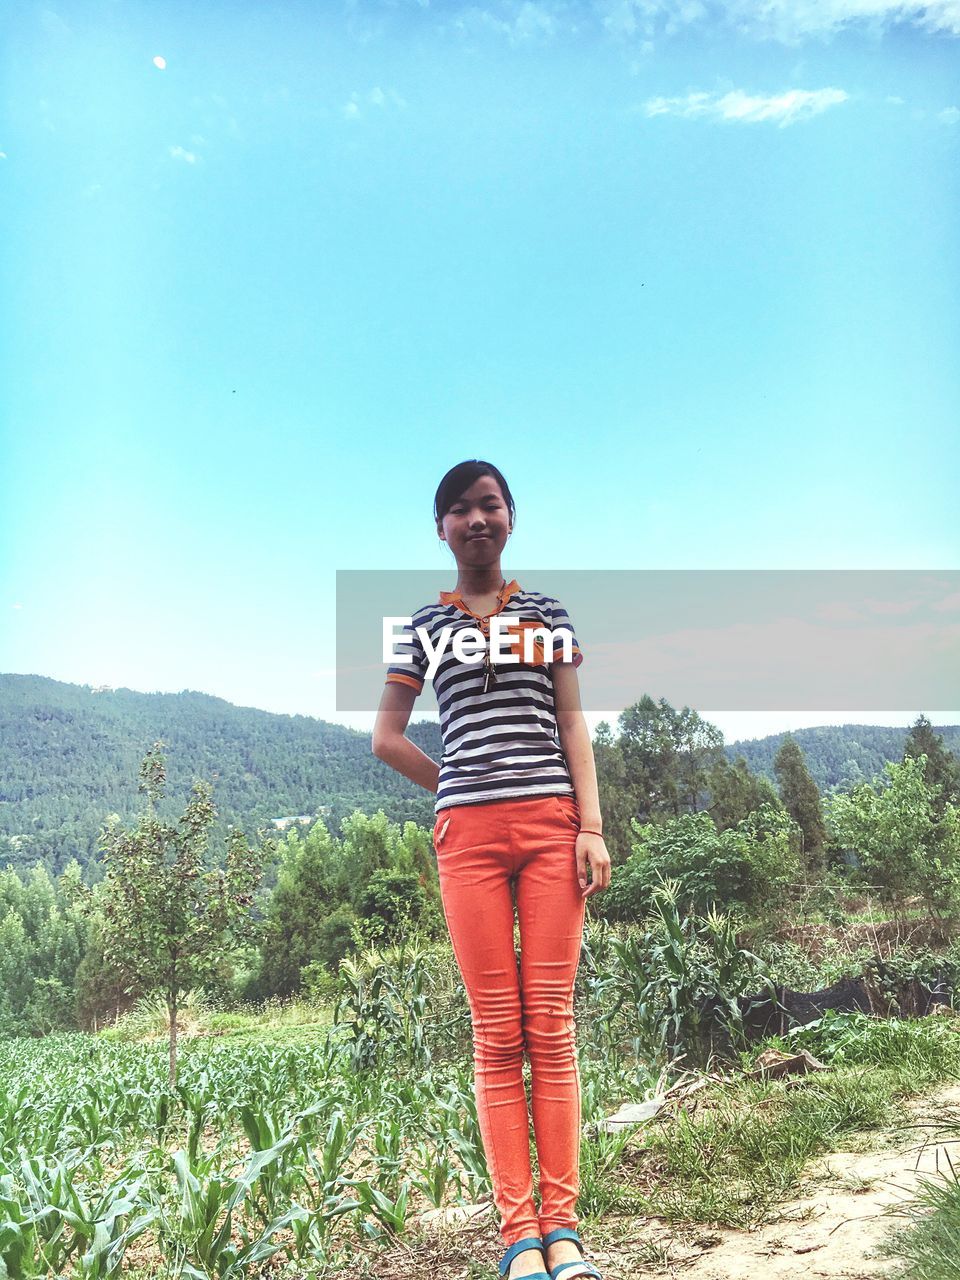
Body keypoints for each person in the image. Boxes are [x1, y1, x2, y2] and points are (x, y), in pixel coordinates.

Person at [372, 459, 611, 1280]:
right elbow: (387, 737)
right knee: (494, 1032)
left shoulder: (547, 613)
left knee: (551, 1027)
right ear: (439, 529)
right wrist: (459, 786)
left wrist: (593, 825)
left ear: (511, 518)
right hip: (466, 840)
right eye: (460, 510)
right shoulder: (418, 626)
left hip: (552, 828)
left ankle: (565, 1232)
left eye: (491, 505)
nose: (477, 519)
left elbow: (574, 724)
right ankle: (519, 1238)